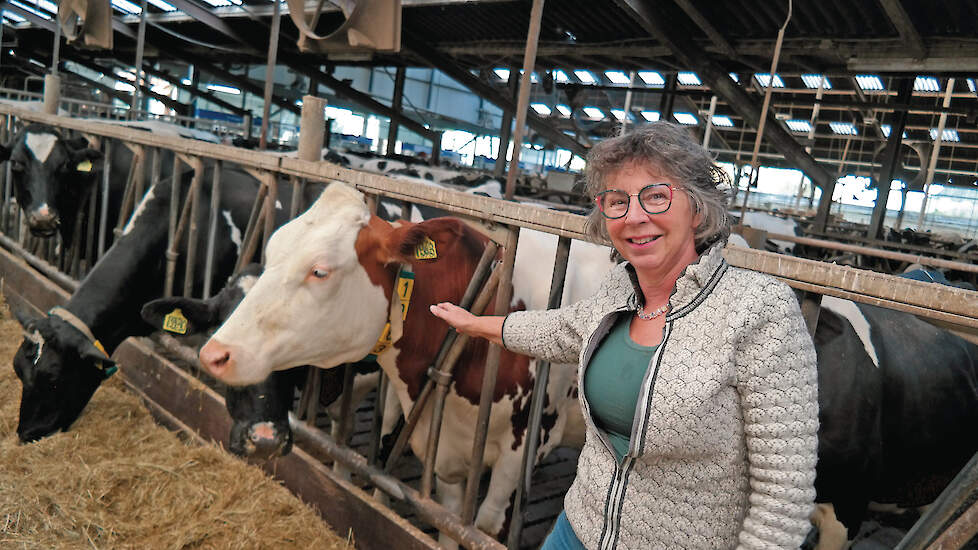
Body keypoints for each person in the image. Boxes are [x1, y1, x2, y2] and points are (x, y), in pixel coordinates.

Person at [429, 121, 819, 550]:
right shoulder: (621, 285)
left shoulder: (761, 310)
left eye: (656, 196)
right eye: (617, 201)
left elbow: (783, 495)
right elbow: (564, 330)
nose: (634, 217)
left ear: (698, 209)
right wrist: (477, 324)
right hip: (577, 528)